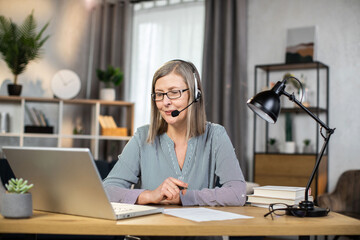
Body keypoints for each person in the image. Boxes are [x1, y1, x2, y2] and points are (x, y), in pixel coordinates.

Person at [103, 59, 246, 207]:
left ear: (195, 95)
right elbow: (107, 190)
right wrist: (150, 195)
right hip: (152, 229)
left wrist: (185, 197)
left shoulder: (216, 136)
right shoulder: (142, 137)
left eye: (174, 92)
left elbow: (237, 193)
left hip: (197, 229)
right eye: (159, 94)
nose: (165, 102)